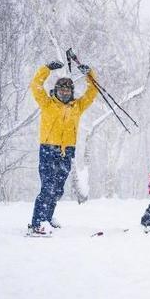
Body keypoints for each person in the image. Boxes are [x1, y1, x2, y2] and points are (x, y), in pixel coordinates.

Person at [27, 60, 97, 236]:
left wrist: (90, 74)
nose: (64, 92)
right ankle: (37, 223)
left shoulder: (77, 107)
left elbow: (92, 92)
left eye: (67, 90)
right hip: (48, 150)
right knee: (47, 187)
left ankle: (47, 218)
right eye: (61, 89)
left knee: (58, 189)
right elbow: (36, 85)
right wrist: (46, 69)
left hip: (67, 152)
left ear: (71, 92)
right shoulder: (47, 103)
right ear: (56, 91)